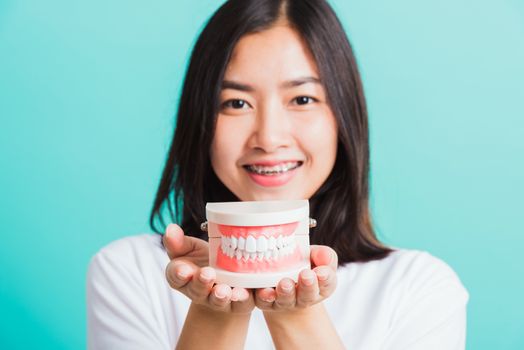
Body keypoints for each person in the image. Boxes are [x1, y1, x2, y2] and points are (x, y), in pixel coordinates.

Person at [87, 0, 469, 349]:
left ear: (343, 118)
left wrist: (294, 310)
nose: (269, 138)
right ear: (200, 119)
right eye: (236, 103)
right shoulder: (129, 272)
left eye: (302, 99)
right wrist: (215, 311)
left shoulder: (420, 289)